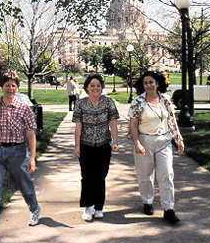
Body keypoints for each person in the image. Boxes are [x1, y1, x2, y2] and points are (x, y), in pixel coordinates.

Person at [0, 71, 40, 243]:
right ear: (2, 86)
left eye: (13, 85)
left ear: (17, 88)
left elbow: (30, 134)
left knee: (25, 187)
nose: (10, 88)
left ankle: (34, 208)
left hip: (18, 154)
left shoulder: (24, 108)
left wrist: (32, 157)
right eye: (7, 85)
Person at [128, 71, 184, 225]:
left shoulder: (165, 99)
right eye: (145, 83)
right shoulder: (137, 102)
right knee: (145, 175)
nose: (149, 85)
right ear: (142, 85)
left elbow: (171, 120)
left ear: (157, 83)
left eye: (151, 82)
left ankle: (168, 209)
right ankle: (147, 201)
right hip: (145, 140)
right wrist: (137, 143)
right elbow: (133, 124)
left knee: (166, 174)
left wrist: (179, 138)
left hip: (164, 141)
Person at [72, 73, 119, 221]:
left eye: (98, 85)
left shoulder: (108, 102)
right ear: (86, 87)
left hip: (103, 145)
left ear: (102, 87)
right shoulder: (80, 104)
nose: (95, 88)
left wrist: (115, 141)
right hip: (86, 145)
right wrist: (77, 146)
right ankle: (88, 206)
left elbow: (113, 123)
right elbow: (78, 126)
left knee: (100, 176)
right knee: (87, 177)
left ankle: (99, 207)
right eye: (92, 85)